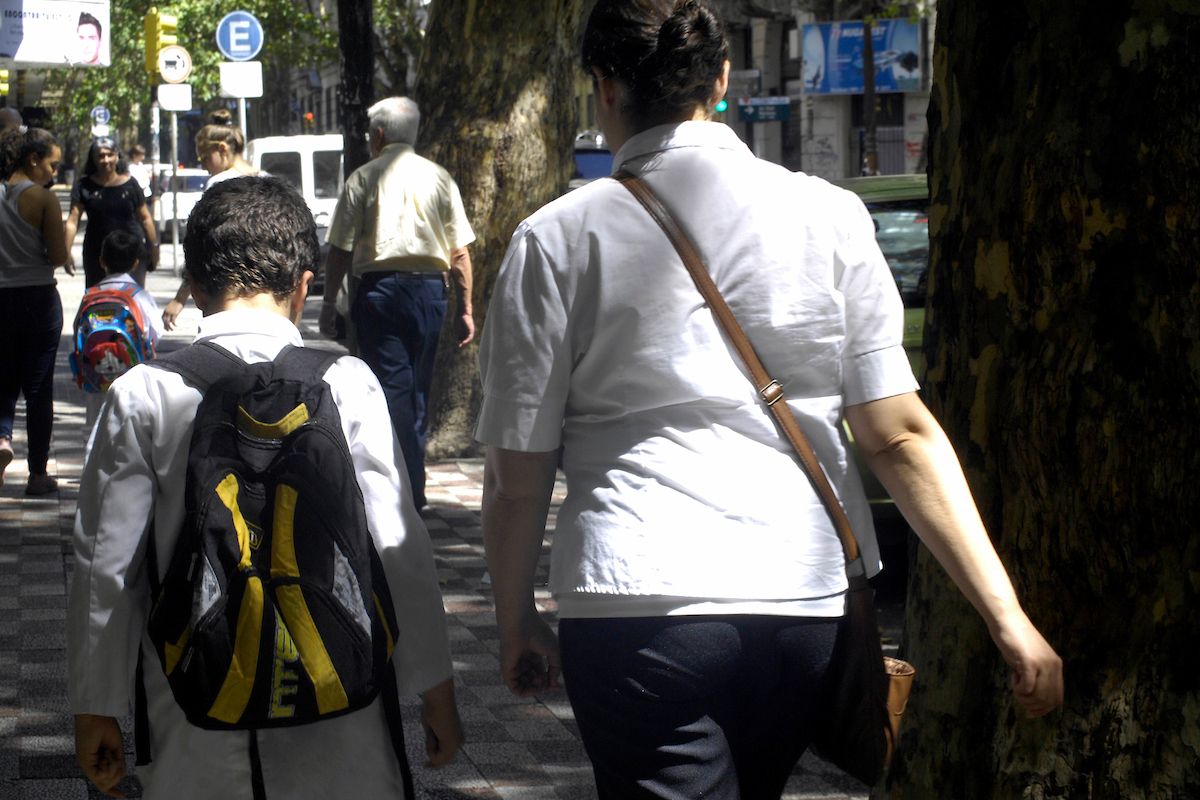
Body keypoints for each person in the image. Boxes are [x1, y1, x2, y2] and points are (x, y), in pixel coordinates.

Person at [475, 1, 1064, 798]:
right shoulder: (830, 216)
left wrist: (516, 621)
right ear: (719, 81)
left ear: (602, 87)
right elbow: (900, 438)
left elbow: (519, 472)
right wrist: (1008, 617)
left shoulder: (557, 238)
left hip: (638, 601)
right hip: (805, 603)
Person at [68, 176, 463, 799]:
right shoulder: (349, 382)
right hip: (340, 716)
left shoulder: (144, 393)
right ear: (305, 286)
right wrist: (434, 686)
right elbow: (398, 545)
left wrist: (96, 705)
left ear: (194, 287)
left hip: (193, 716)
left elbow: (107, 567)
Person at [319, 96, 475, 511]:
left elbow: (338, 250)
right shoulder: (440, 178)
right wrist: (465, 309)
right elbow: (459, 253)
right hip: (429, 292)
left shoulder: (364, 178)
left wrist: (329, 303)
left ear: (379, 135)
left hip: (381, 292)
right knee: (417, 392)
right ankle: (412, 486)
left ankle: (400, 490)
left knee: (391, 392)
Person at [0, 126, 70, 495]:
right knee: (39, 388)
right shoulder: (43, 200)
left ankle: (1, 439)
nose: (54, 173)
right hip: (39, 299)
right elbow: (58, 256)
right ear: (33, 159)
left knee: (3, 382)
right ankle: (38, 473)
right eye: (52, 165)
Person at [161, 110, 261, 331]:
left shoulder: (219, 183)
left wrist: (180, 299)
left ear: (222, 149)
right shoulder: (266, 180)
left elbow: (203, 244)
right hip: (265, 288)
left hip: (227, 290)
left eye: (205, 157)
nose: (204, 165)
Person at [77, 229, 165, 429]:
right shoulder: (139, 296)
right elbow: (155, 334)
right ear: (135, 263)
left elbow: (79, 336)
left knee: (95, 427)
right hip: (134, 377)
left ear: (101, 261)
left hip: (96, 378)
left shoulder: (89, 296)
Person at [64, 137, 159, 288]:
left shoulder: (131, 185)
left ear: (117, 156)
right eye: (100, 156)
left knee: (131, 301)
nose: (106, 160)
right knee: (98, 302)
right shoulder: (84, 186)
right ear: (93, 159)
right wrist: (66, 253)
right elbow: (72, 221)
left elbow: (146, 219)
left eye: (110, 155)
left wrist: (154, 250)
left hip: (131, 254)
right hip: (97, 255)